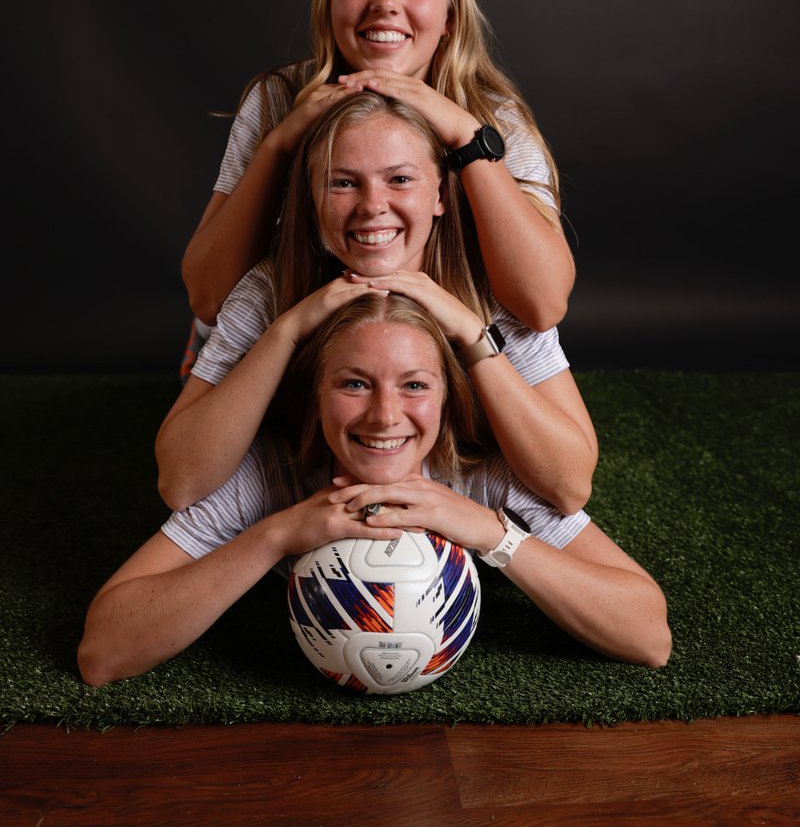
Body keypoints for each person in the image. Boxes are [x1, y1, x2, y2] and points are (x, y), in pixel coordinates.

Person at [78, 295, 671, 687]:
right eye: (355, 383)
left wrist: (493, 535)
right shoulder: (261, 471)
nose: (385, 416)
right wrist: (274, 535)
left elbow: (649, 637)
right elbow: (102, 652)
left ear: (447, 398)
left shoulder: (487, 471)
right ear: (315, 395)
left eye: (414, 385)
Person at [156, 91, 598, 517]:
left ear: (441, 195)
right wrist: (287, 331)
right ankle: (202, 346)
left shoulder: (492, 287)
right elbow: (180, 484)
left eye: (400, 179)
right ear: (312, 201)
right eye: (343, 183)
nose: (372, 207)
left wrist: (470, 333)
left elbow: (570, 486)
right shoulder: (268, 287)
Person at [180, 0, 575, 341]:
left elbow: (543, 306)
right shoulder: (277, 99)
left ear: (450, 14)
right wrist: (280, 143)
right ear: (329, 2)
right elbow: (207, 299)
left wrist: (467, 137)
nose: (385, 3)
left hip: (420, 357)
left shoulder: (494, 118)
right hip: (300, 356)